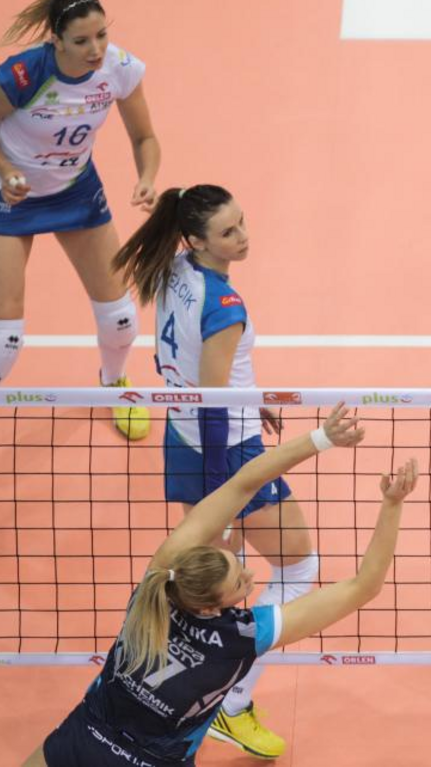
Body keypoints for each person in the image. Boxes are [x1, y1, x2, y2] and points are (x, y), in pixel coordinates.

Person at [22, 403, 418, 767]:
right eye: (240, 581)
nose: (250, 577)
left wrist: (321, 438)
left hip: (84, 734)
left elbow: (242, 483)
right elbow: (364, 586)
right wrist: (392, 505)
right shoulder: (242, 637)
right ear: (212, 607)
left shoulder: (156, 582)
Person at [0, 0, 159, 546]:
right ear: (56, 40)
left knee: (122, 320)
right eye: (81, 41)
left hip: (76, 192)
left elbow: (145, 136)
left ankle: (113, 383)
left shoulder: (119, 69)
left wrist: (147, 177)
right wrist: (6, 170)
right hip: (10, 197)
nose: (96, 49)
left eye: (101, 35)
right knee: (1, 344)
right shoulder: (24, 75)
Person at [112, 184, 315, 758]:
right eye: (229, 232)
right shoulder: (224, 304)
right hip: (224, 449)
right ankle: (232, 701)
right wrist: (225, 486)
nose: (243, 236)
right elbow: (214, 401)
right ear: (197, 240)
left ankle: (175, 697)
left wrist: (250, 397)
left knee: (214, 586)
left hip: (181, 435)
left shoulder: (173, 268)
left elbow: (180, 364)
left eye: (242, 222)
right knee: (298, 565)